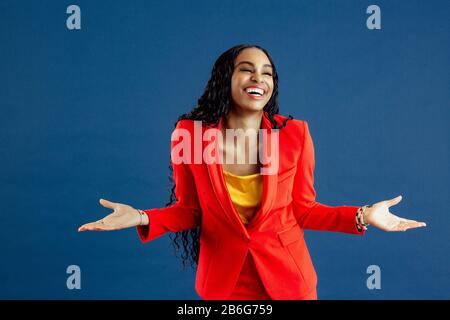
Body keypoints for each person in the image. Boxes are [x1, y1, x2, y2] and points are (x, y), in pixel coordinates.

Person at [78, 44, 426, 300]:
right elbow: (190, 210)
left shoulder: (294, 134)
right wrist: (140, 218)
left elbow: (303, 210)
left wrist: (364, 216)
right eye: (246, 68)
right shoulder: (190, 134)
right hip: (223, 285)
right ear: (225, 77)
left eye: (267, 72)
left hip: (289, 280)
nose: (258, 77)